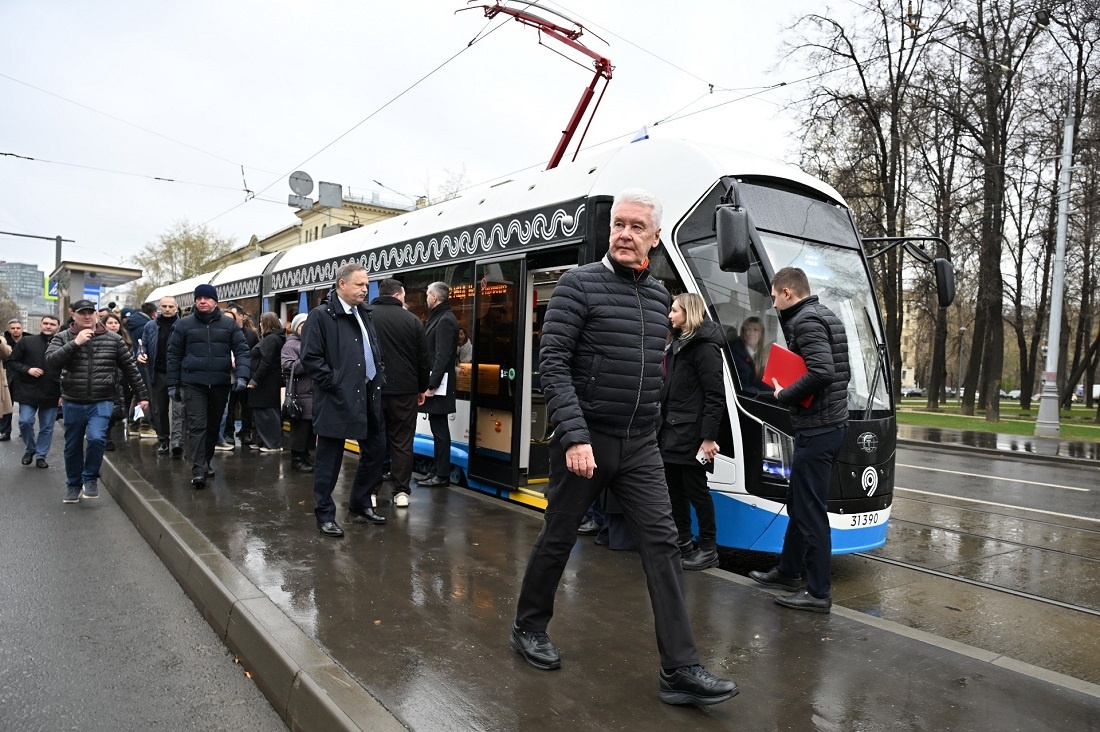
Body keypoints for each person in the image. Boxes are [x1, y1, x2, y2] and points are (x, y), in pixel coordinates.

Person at [509, 189, 737, 706]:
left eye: (637, 227)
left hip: (639, 448)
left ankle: (680, 668)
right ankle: (528, 626)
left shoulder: (660, 300)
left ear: (656, 238)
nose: (625, 234)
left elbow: (654, 373)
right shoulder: (577, 285)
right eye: (619, 224)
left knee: (663, 545)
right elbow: (553, 366)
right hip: (585, 441)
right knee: (559, 536)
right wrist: (574, 435)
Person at [748, 266, 850, 613]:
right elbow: (840, 372)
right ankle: (788, 571)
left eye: (775, 296)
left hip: (817, 429)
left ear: (787, 292)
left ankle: (818, 593)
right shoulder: (826, 315)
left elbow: (823, 371)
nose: (774, 303)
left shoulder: (805, 321)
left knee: (810, 511)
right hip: (829, 424)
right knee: (799, 501)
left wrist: (784, 394)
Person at [302, 263, 387, 537]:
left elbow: (372, 349)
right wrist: (335, 382)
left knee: (376, 450)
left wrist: (379, 374)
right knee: (329, 460)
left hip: (368, 396)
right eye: (360, 284)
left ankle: (360, 503)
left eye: (366, 284)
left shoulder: (365, 313)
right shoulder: (321, 316)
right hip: (336, 399)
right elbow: (311, 358)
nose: (365, 289)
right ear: (342, 284)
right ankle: (325, 515)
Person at [46, 299, 149, 503]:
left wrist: (142, 396)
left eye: (90, 312)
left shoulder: (113, 339)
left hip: (102, 399)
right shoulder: (63, 337)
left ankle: (90, 478)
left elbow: (130, 368)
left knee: (96, 438)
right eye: (82, 313)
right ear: (73, 315)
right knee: (73, 445)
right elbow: (51, 362)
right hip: (73, 400)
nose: (87, 316)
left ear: (96, 314)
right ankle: (73, 484)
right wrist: (75, 343)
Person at [659, 292, 726, 571]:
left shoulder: (704, 348)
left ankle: (708, 548)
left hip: (692, 437)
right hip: (671, 433)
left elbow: (715, 395)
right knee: (675, 491)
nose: (670, 315)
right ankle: (683, 543)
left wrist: (708, 438)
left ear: (688, 313)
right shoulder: (678, 345)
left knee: (697, 491)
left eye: (675, 310)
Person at [165, 284, 251, 488]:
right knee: (197, 426)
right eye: (199, 298)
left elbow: (242, 350)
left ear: (215, 301)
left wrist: (242, 375)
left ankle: (205, 461)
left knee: (213, 427)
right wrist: (173, 384)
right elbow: (173, 355)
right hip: (193, 384)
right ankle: (198, 469)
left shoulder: (229, 326)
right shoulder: (184, 325)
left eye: (207, 298)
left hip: (220, 384)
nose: (202, 301)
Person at [370, 279, 430, 507]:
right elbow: (424, 360)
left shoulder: (367, 317)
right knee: (403, 441)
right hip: (405, 391)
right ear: (397, 295)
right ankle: (401, 492)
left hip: (374, 389)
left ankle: (371, 491)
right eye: (404, 295)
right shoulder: (413, 321)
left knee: (374, 440)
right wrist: (421, 388)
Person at [416, 281, 459, 488]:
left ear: (434, 297)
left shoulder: (445, 320)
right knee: (437, 429)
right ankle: (436, 470)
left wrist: (431, 385)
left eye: (427, 294)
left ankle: (442, 474)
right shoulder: (441, 317)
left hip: (440, 387)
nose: (425, 298)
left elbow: (442, 356)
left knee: (440, 431)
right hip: (438, 384)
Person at [7, 315, 62, 468]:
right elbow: (11, 361)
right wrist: (27, 369)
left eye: (52, 324)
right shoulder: (27, 341)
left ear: (58, 327)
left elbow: (68, 370)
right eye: (45, 323)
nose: (48, 326)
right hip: (28, 390)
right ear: (40, 325)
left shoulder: (63, 344)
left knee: (47, 427)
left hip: (52, 391)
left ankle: (41, 456)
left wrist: (63, 393)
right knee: (25, 421)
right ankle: (30, 449)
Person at [139, 296, 184, 456]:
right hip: (158, 373)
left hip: (178, 374)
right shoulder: (151, 326)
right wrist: (141, 353)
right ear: (159, 307)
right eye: (164, 306)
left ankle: (177, 441)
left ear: (176, 307)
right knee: (160, 409)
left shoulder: (183, 325)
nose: (167, 309)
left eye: (170, 306)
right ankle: (164, 440)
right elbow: (143, 345)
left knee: (178, 410)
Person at [246, 312, 286, 452]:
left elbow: (265, 362)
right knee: (265, 413)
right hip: (269, 382)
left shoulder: (270, 340)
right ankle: (263, 441)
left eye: (262, 322)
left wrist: (255, 379)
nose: (260, 325)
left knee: (266, 414)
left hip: (264, 383)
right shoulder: (278, 338)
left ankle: (271, 443)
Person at [281, 313, 315, 473]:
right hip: (299, 395)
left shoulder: (312, 342)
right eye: (302, 325)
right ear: (296, 328)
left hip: (312, 394)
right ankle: (297, 459)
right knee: (300, 429)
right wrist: (308, 360)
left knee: (308, 430)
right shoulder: (291, 345)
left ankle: (305, 456)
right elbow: (287, 366)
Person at [222, 304, 258, 449]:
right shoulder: (222, 332)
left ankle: (245, 431)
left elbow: (254, 355)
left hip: (245, 375)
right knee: (229, 406)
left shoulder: (251, 334)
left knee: (246, 406)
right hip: (228, 376)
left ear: (241, 317)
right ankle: (229, 432)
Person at [100, 312, 133, 451]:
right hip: (105, 380)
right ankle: (106, 437)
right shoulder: (99, 339)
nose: (113, 326)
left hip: (123, 380)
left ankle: (106, 433)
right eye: (110, 323)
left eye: (116, 323)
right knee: (108, 409)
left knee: (118, 410)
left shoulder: (125, 341)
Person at [729, 316, 768, 395]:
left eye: (755, 330)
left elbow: (760, 383)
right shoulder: (734, 352)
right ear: (743, 333)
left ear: (761, 334)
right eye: (748, 330)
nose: (751, 333)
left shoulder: (762, 354)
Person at [0, 318, 23, 440]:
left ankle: (24, 429)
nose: (15, 330)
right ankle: (5, 431)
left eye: (18, 328)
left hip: (24, 377)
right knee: (7, 405)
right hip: (7, 376)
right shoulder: (3, 341)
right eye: (13, 328)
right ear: (8, 330)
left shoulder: (27, 340)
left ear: (22, 329)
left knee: (25, 405)